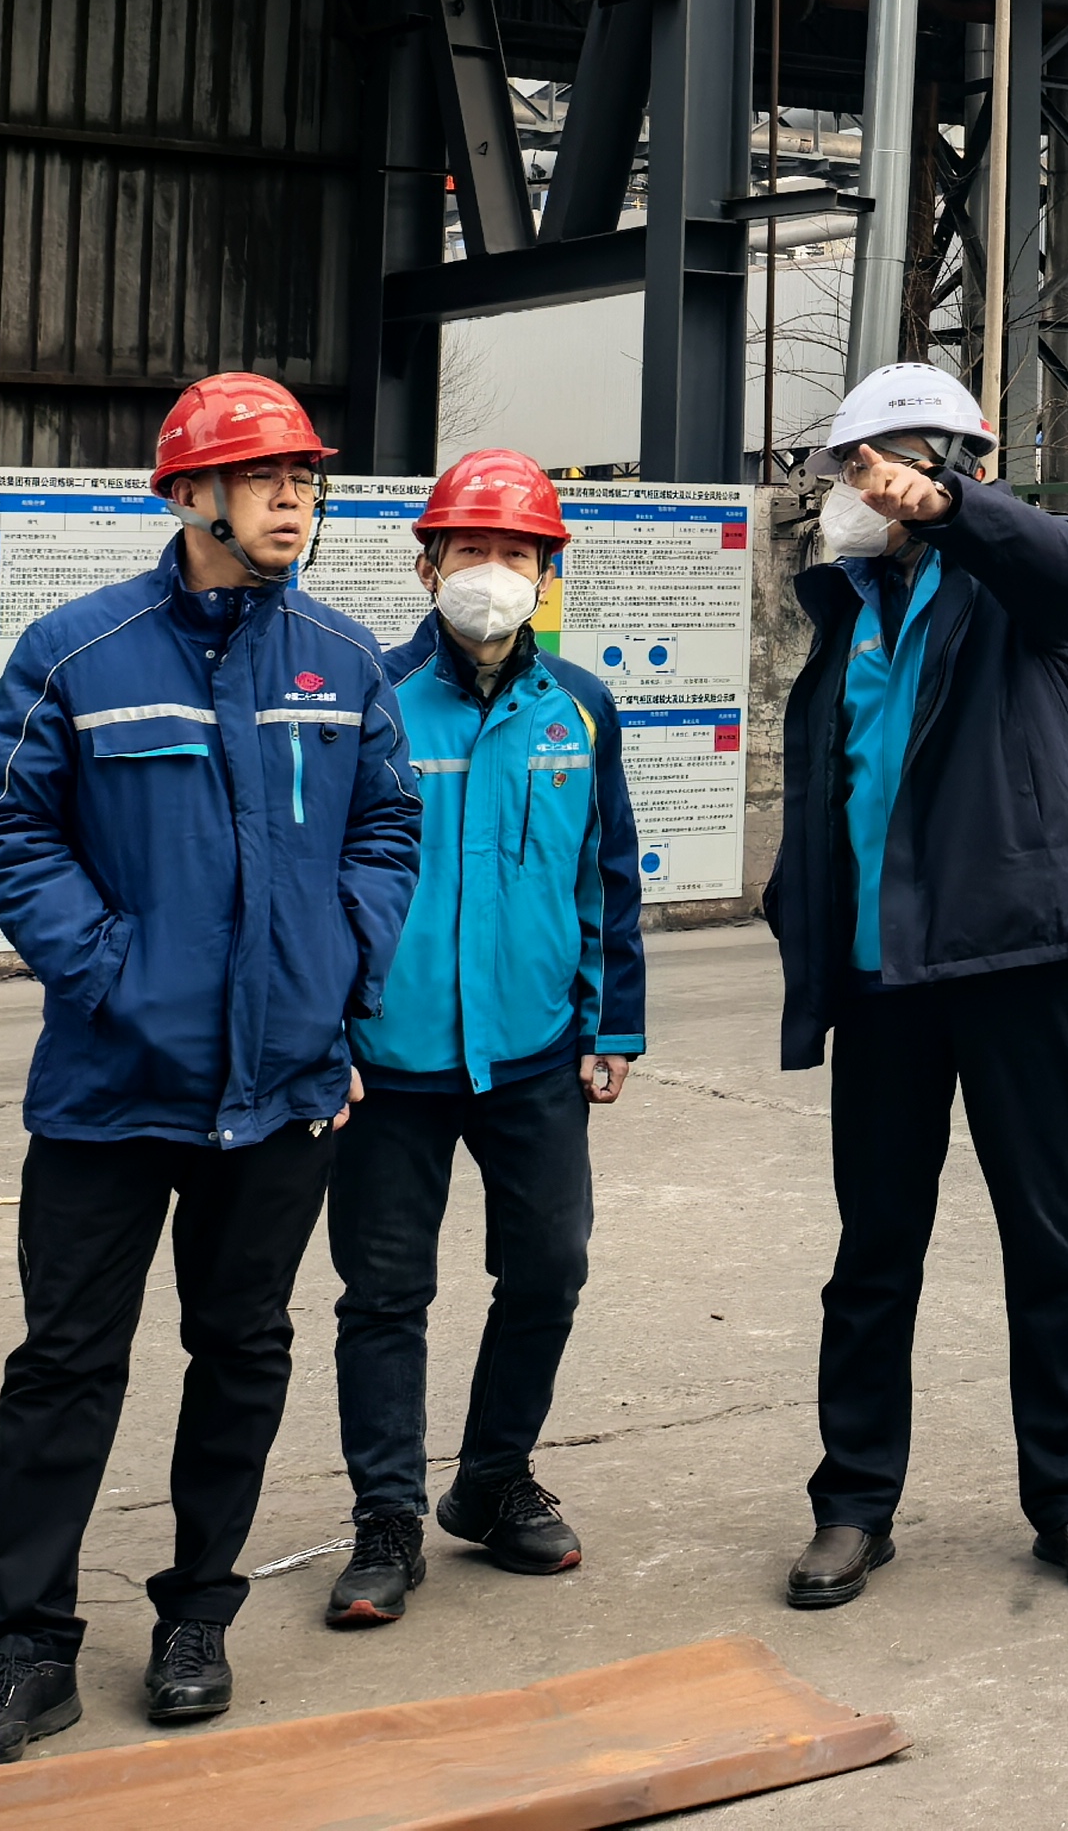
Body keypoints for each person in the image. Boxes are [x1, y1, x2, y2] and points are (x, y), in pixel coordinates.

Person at [0, 374, 420, 1770]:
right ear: (191, 494)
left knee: (242, 1353)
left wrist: (340, 973)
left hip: (283, 1094)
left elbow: (386, 829)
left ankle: (197, 1616)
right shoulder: (81, 652)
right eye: (265, 477)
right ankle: (30, 1650)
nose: (293, 500)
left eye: (306, 478)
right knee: (66, 1365)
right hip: (110, 1089)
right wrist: (108, 969)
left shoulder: (343, 658)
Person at [762, 362, 1068, 1610]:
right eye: (846, 470)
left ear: (944, 468)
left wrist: (949, 510)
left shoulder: (1012, 584)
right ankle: (853, 1505)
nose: (853, 489)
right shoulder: (849, 605)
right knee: (873, 1249)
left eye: (871, 467)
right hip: (882, 974)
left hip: (1014, 956)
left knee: (1049, 1236)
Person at [322, 450, 646, 1627]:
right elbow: (318, 878)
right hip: (387, 1062)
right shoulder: (368, 696)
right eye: (471, 549)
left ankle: (494, 1480)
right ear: (428, 566)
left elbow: (606, 871)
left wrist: (614, 1020)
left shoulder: (581, 706)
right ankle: (387, 1518)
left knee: (548, 1269)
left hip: (534, 1053)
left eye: (517, 552)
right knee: (384, 1293)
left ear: (547, 573)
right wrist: (324, 1033)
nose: (493, 571)